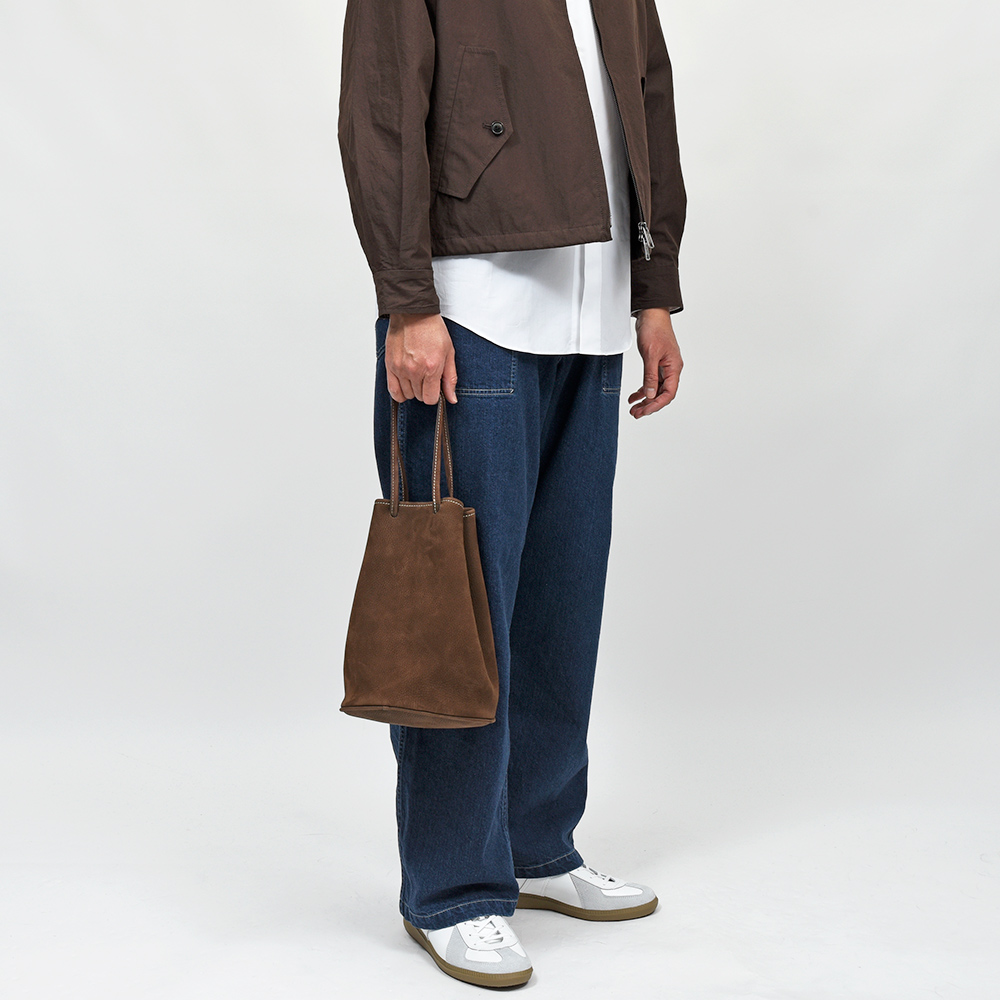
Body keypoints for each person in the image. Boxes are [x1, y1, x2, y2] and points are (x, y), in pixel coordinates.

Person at [337, 0, 686, 987]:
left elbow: (647, 102)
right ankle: (453, 887)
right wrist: (407, 301)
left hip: (593, 315)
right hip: (472, 310)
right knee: (459, 612)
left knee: (562, 602)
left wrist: (654, 288)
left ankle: (537, 845)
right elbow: (380, 109)